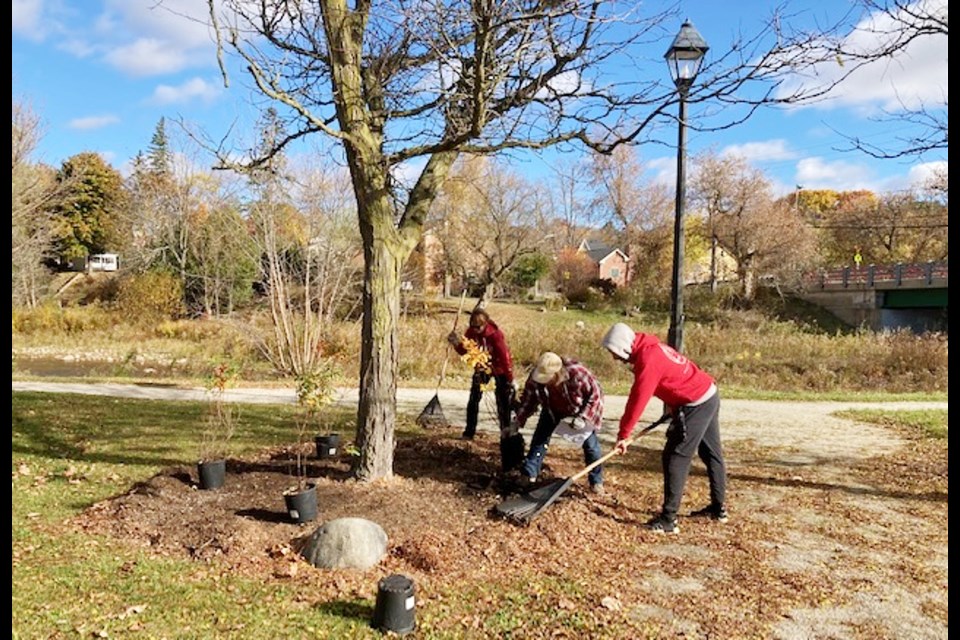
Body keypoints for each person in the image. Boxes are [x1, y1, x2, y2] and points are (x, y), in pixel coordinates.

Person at [601, 322, 728, 534]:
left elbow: (637, 400)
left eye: (614, 352)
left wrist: (624, 434)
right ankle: (718, 509)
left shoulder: (648, 360)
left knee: (676, 456)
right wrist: (672, 404)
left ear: (623, 347)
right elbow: (674, 375)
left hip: (696, 402)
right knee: (710, 453)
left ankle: (669, 520)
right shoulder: (651, 347)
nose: (614, 358)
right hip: (708, 393)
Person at [509, 351, 606, 494]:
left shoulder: (578, 374)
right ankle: (529, 474)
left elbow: (596, 395)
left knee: (591, 447)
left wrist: (583, 417)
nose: (545, 381)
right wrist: (518, 420)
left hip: (577, 411)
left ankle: (596, 481)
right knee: (539, 440)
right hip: (551, 410)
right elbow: (529, 401)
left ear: (558, 373)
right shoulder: (535, 379)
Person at [448, 309, 518, 458]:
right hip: (482, 367)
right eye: (473, 326)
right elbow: (465, 352)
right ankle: (469, 431)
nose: (476, 330)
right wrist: (456, 343)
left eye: (478, 327)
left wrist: (510, 379)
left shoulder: (495, 335)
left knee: (503, 401)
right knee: (474, 398)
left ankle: (505, 432)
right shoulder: (471, 333)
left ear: (485, 324)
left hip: (499, 368)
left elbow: (505, 358)